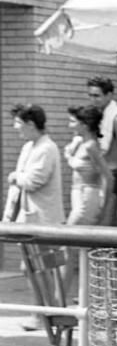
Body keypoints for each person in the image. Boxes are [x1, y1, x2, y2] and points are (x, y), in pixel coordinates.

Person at [3, 104, 65, 330]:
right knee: (32, 267)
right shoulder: (30, 146)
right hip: (30, 217)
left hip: (42, 219)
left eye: (18, 123)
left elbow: (33, 181)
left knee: (40, 267)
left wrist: (14, 176)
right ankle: (47, 310)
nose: (15, 128)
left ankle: (47, 313)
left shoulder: (46, 148)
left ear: (30, 124)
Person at [62, 104, 113, 297]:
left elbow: (108, 176)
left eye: (73, 121)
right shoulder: (80, 142)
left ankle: (60, 302)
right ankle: (83, 298)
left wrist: (106, 207)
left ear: (84, 124)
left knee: (68, 246)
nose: (70, 125)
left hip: (87, 197)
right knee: (79, 250)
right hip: (78, 195)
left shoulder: (91, 146)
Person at [86, 76, 117, 225]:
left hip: (112, 175)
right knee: (91, 221)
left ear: (109, 95)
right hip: (97, 174)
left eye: (97, 96)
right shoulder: (96, 117)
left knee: (105, 225)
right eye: (91, 95)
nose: (93, 100)